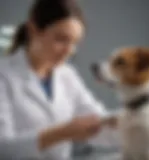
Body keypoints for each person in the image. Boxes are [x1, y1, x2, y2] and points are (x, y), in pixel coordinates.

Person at [0, 0, 117, 159]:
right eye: (61, 39)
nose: (69, 51)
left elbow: (98, 124)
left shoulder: (67, 74)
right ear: (33, 30)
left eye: (74, 43)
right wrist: (61, 133)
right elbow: (3, 147)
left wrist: (138, 124)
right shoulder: (4, 75)